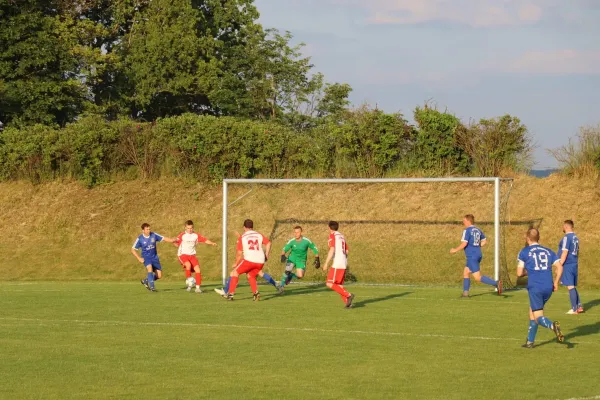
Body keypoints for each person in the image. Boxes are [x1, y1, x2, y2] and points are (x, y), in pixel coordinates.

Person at [517, 228, 565, 348]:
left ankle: (552, 326)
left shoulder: (524, 252)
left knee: (538, 316)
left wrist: (528, 272)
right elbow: (559, 267)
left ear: (527, 238)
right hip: (548, 286)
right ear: (538, 238)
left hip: (535, 287)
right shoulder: (548, 251)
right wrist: (556, 282)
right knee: (532, 312)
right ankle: (530, 342)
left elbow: (519, 273)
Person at [214, 219, 271, 301]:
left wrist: (236, 263)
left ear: (244, 227)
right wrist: (266, 255)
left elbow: (239, 253)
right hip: (260, 261)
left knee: (234, 273)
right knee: (250, 275)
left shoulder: (243, 237)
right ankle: (256, 293)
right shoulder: (258, 234)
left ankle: (230, 294)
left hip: (250, 259)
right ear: (252, 227)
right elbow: (268, 243)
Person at [450, 214, 502, 297]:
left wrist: (455, 250)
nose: (463, 222)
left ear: (468, 221)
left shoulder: (467, 231)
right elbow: (484, 241)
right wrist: (477, 246)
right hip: (478, 254)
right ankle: (465, 293)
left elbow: (464, 243)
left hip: (471, 256)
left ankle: (496, 283)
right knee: (466, 272)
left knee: (477, 277)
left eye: (464, 221)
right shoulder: (478, 230)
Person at [174, 220, 217, 293]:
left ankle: (197, 288)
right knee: (188, 265)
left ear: (193, 227)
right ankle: (189, 282)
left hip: (192, 255)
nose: (190, 230)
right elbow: (175, 241)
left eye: (191, 228)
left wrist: (212, 243)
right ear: (185, 228)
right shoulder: (182, 235)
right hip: (183, 255)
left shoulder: (196, 235)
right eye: (188, 228)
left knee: (198, 270)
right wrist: (176, 244)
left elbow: (204, 240)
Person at [131, 223, 176, 292]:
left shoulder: (154, 235)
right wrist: (139, 258)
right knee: (150, 268)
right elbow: (133, 249)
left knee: (159, 276)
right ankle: (152, 288)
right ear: (143, 230)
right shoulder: (140, 238)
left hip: (154, 257)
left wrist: (172, 240)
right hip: (146, 257)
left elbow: (163, 238)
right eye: (147, 229)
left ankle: (146, 281)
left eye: (149, 229)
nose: (148, 230)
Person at [278, 226, 320, 293]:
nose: (296, 234)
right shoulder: (292, 241)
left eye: (298, 232)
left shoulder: (306, 241)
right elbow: (284, 249)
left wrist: (317, 258)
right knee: (287, 270)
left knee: (300, 276)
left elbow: (314, 248)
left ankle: (291, 275)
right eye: (295, 232)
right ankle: (281, 286)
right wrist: (283, 255)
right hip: (292, 258)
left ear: (301, 232)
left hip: (301, 260)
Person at [323, 221, 354, 308]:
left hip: (337, 262)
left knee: (329, 283)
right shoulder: (341, 236)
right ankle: (348, 304)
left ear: (329, 228)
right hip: (343, 262)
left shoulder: (332, 236)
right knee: (339, 285)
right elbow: (347, 251)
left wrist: (326, 263)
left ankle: (348, 295)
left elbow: (332, 249)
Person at [558, 220, 583, 314]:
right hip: (574, 263)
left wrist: (560, 264)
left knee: (570, 286)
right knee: (572, 285)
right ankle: (579, 305)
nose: (562, 228)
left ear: (566, 227)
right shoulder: (575, 237)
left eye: (563, 226)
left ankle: (574, 309)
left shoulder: (567, 237)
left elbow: (565, 252)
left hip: (568, 264)